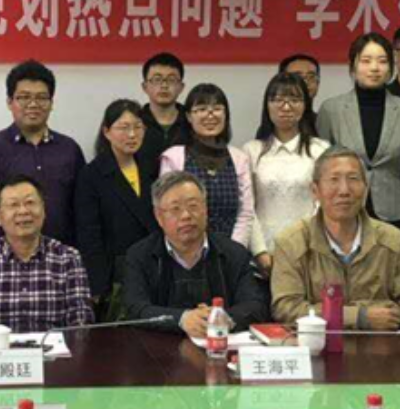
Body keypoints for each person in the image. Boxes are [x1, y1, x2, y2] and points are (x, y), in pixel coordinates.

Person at [269, 148, 400, 330]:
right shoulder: (291, 243)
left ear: (366, 189)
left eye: (353, 179)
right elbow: (286, 309)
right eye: (334, 180)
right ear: (315, 191)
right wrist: (359, 316)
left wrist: (333, 312)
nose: (344, 190)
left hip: (381, 344)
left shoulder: (394, 241)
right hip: (318, 344)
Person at [121, 172, 268, 337]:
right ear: (159, 217)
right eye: (175, 209)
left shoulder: (234, 253)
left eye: (193, 206)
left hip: (220, 343)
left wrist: (223, 318)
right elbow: (135, 308)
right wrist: (181, 319)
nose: (186, 216)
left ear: (205, 209)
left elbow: (255, 305)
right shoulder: (139, 256)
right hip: (160, 347)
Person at [0, 61, 86, 248]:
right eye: (24, 97)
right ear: (9, 102)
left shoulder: (69, 150)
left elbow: (84, 209)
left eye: (42, 97)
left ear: (51, 103)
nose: (33, 104)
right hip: (4, 258)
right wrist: (6, 248)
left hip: (60, 257)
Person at [0, 176, 94, 335]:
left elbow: (81, 320)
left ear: (44, 210)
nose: (23, 211)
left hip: (54, 349)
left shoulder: (68, 258)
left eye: (30, 202)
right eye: (13, 205)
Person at [316, 34, 400, 231]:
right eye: (366, 61)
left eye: (382, 61)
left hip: (393, 215)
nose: (374, 68)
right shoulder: (331, 110)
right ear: (352, 66)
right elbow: (321, 171)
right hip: (343, 212)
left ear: (391, 67)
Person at [75, 100, 158, 317]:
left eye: (138, 127)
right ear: (107, 132)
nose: (132, 134)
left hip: (153, 267)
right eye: (123, 127)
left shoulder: (153, 167)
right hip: (115, 274)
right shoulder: (91, 174)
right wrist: (97, 284)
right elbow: (89, 233)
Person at [160, 84, 260, 261]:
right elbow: (169, 211)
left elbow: (245, 213)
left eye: (217, 109)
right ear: (189, 116)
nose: (210, 115)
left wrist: (232, 253)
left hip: (231, 256)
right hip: (184, 255)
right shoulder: (173, 157)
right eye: (201, 109)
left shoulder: (239, 158)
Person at [244, 72, 330, 262]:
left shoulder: (320, 150)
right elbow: (247, 208)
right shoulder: (251, 151)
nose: (286, 106)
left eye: (295, 100)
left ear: (305, 105)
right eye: (278, 100)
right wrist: (260, 252)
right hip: (264, 253)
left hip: (309, 252)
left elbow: (323, 204)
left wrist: (306, 246)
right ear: (267, 105)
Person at [137, 53, 191, 174]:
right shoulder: (135, 122)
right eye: (157, 79)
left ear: (181, 87)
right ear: (145, 87)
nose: (164, 86)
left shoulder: (192, 122)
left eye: (171, 80)